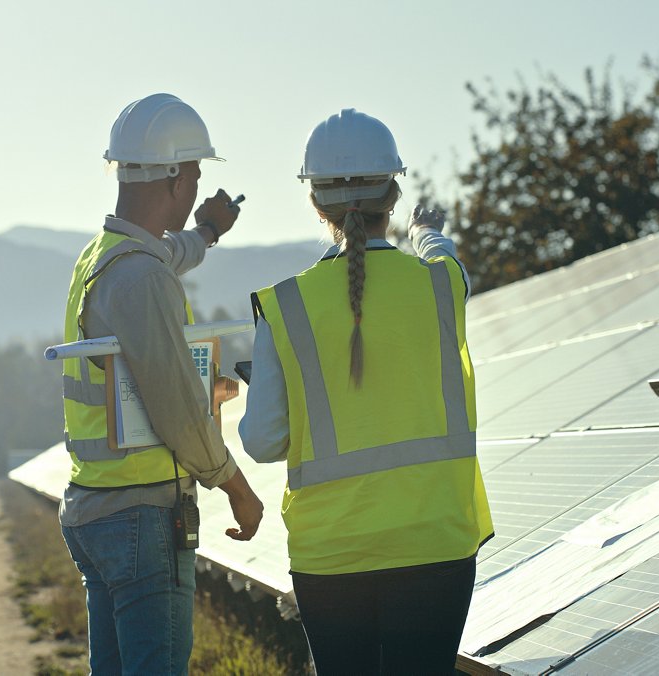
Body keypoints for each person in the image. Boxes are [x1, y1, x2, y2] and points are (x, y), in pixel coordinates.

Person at [239, 108, 494, 675]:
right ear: (393, 194)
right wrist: (428, 229)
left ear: (315, 202)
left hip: (330, 555)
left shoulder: (284, 307)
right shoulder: (441, 286)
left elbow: (262, 441)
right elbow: (442, 257)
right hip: (437, 543)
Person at [58, 93, 264, 675]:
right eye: (195, 174)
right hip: (142, 517)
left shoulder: (102, 259)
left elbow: (161, 257)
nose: (198, 187)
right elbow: (174, 409)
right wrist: (236, 487)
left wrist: (206, 234)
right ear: (173, 178)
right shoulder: (141, 280)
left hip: (96, 509)